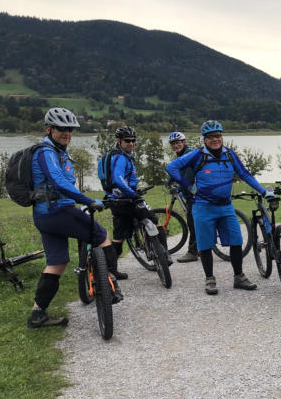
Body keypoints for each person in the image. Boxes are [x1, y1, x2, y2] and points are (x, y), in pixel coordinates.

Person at [27, 108, 121, 328]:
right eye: (61, 128)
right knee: (102, 236)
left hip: (45, 216)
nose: (67, 133)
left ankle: (37, 314)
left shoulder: (57, 152)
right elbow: (59, 182)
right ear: (49, 129)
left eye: (70, 129)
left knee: (56, 263)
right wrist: (88, 200)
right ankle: (111, 284)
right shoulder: (46, 152)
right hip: (58, 212)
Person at [166, 120, 272, 295]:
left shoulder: (229, 154)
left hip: (226, 207)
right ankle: (210, 279)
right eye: (210, 137)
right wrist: (188, 187)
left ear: (221, 137)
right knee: (205, 245)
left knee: (236, 241)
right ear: (204, 139)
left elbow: (245, 174)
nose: (215, 139)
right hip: (203, 207)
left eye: (217, 135)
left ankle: (239, 277)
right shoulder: (197, 155)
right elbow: (171, 167)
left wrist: (263, 191)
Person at [103, 126, 169, 276]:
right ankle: (164, 255)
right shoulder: (121, 158)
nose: (131, 143)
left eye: (133, 141)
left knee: (119, 238)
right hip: (127, 200)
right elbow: (118, 178)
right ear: (119, 141)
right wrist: (132, 193)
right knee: (155, 221)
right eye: (127, 141)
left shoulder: (121, 156)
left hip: (117, 201)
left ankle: (110, 271)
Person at [165, 131, 199, 262]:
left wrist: (178, 188)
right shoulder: (182, 155)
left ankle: (193, 252)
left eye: (178, 143)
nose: (175, 145)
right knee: (195, 221)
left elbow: (188, 177)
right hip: (192, 193)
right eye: (173, 144)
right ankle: (200, 248)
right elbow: (177, 169)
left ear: (184, 142)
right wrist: (169, 180)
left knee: (192, 223)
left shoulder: (189, 155)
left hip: (195, 194)